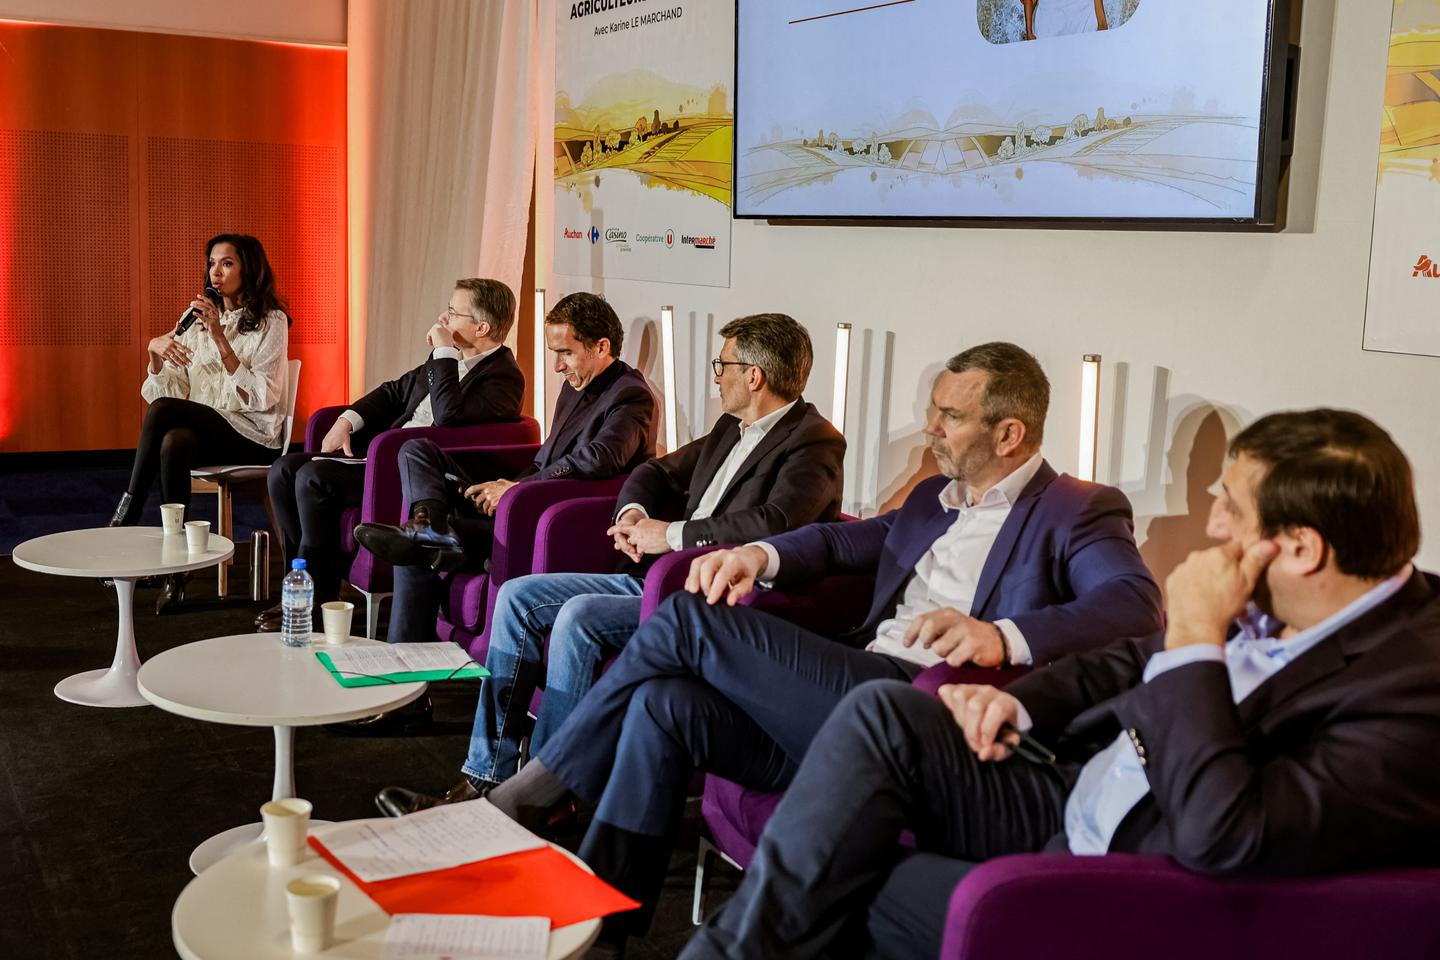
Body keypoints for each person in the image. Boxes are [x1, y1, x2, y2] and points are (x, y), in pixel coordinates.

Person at [680, 408, 1440, 960]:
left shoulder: (1413, 691)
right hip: (1071, 785)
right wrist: (1017, 697)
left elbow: (1227, 835)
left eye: (1230, 510)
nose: (1211, 528)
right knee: (884, 714)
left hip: (1133, 877)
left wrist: (1198, 638)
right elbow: (1129, 659)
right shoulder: (1292, 596)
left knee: (836, 888)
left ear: (1302, 547)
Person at [482, 341, 1165, 946]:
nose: (932, 428)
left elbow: (1134, 605)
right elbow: (842, 539)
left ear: (1010, 433)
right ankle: (602, 920)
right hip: (850, 687)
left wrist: (1000, 635)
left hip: (916, 713)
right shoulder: (934, 498)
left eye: (950, 417)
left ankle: (536, 791)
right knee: (666, 703)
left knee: (690, 619)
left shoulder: (1078, 508)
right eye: (934, 410)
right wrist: (757, 555)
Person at [375, 313, 847, 816]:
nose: (717, 376)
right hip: (655, 579)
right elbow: (655, 470)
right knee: (518, 596)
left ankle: (546, 795)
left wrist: (667, 534)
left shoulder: (815, 441)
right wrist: (634, 512)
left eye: (723, 364)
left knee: (578, 617)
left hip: (712, 601)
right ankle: (487, 772)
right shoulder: (731, 427)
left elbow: (774, 523)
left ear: (753, 375)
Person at [354, 291, 657, 645]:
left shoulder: (631, 396)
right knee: (417, 450)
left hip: (539, 517)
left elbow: (599, 459)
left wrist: (514, 490)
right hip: (522, 492)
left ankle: (407, 649)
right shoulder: (577, 382)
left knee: (414, 549)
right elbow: (549, 455)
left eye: (565, 353)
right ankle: (430, 523)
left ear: (602, 347)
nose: (557, 366)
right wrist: (508, 483)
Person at [256, 278, 525, 631]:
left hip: (410, 476)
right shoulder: (448, 360)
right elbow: (394, 392)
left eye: (453, 312)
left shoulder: (503, 378)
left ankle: (316, 598)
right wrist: (346, 421)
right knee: (283, 471)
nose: (443, 319)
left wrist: (444, 352)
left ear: (482, 327)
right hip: (381, 458)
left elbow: (448, 416)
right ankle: (300, 584)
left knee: (313, 478)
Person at [111, 233, 290, 613]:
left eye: (227, 263)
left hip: (252, 433)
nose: (216, 271)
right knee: (173, 440)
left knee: (166, 418)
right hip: (208, 428)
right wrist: (155, 355)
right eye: (212, 262)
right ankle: (176, 572)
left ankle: (125, 517)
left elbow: (262, 397)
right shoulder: (194, 317)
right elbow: (166, 393)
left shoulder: (271, 322)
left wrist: (221, 338)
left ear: (249, 269)